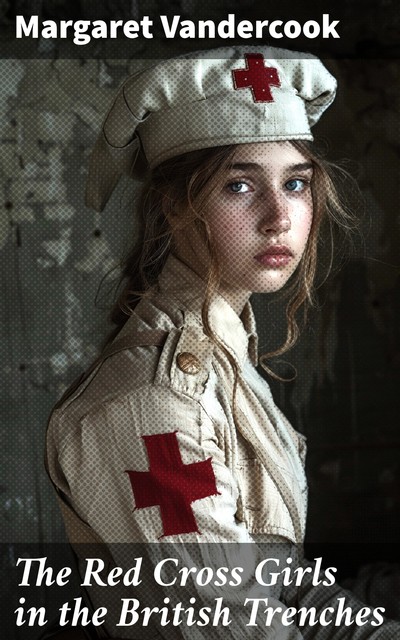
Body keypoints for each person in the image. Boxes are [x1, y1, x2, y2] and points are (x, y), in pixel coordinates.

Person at [45, 46, 400, 639]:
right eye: (239, 186)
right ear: (172, 207)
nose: (279, 217)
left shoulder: (226, 359)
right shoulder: (154, 406)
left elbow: (279, 584)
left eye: (295, 184)